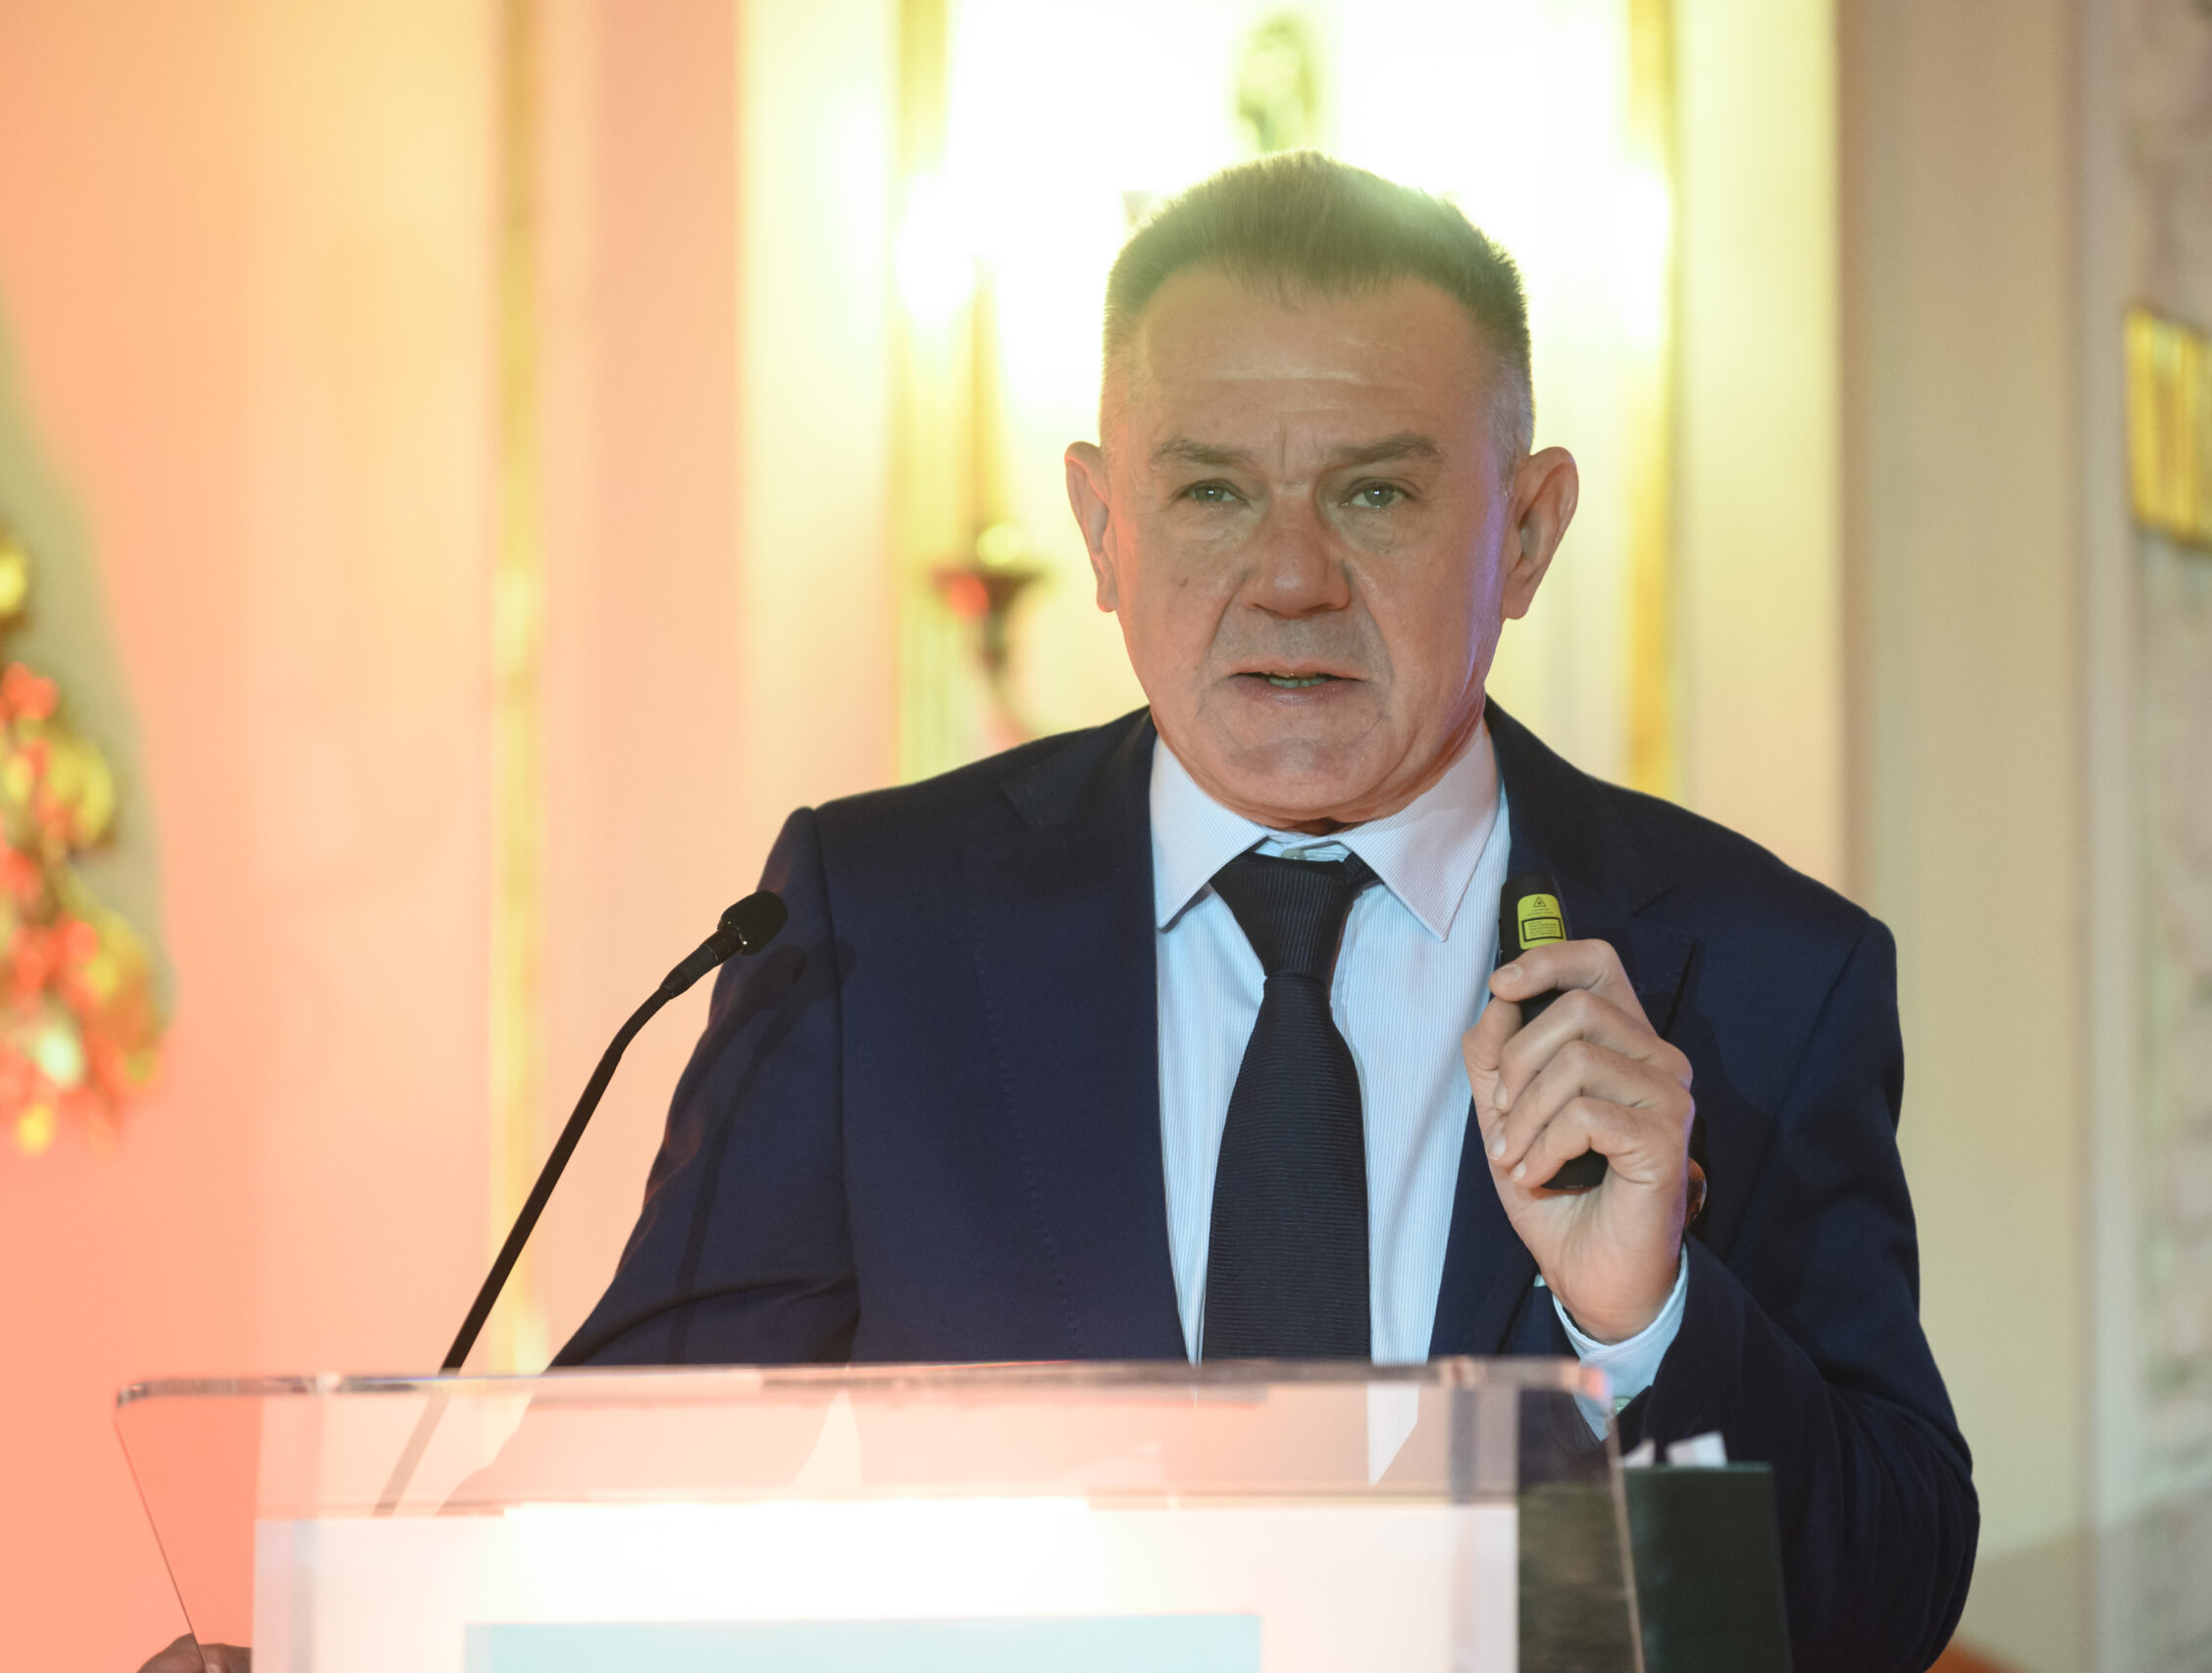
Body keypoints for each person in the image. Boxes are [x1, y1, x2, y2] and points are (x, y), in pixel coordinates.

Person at [553, 151, 1970, 1669]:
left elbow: (1878, 1605)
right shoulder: (869, 930)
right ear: (1103, 527)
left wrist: (1645, 1322)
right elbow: (597, 1513)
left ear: (1530, 529)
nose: (1292, 577)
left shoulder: (1766, 972)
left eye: (1376, 491)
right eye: (1213, 490)